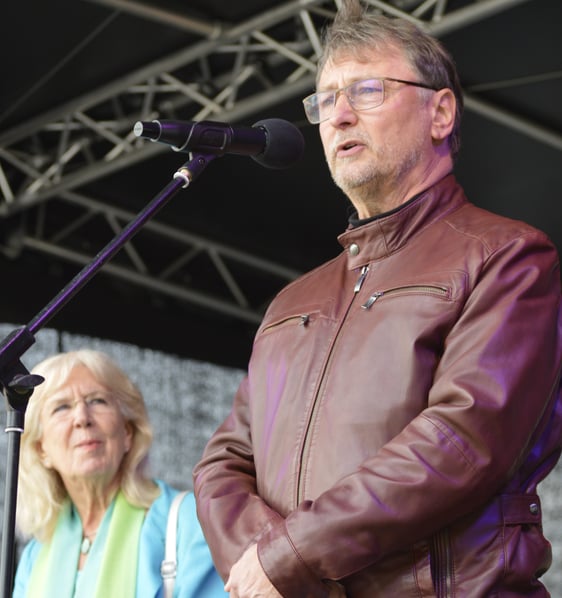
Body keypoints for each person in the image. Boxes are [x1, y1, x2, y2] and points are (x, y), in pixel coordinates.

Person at [192, 1, 562, 596]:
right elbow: (222, 464)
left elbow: (461, 440)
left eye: (365, 90)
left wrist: (290, 558)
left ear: (440, 112)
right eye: (324, 100)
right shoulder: (293, 300)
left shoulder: (507, 256)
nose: (337, 116)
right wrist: (274, 570)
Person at [13, 349, 228, 598]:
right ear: (41, 449)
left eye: (97, 401)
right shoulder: (35, 555)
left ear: (127, 433)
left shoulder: (189, 521)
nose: (82, 417)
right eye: (61, 407)